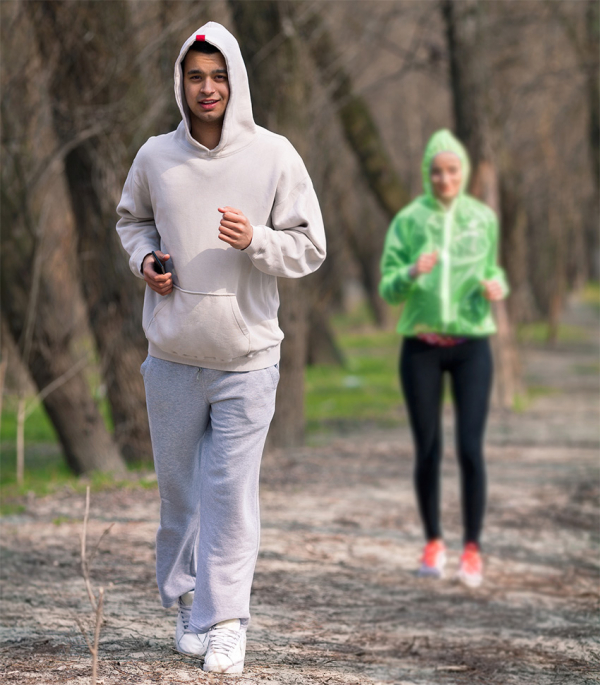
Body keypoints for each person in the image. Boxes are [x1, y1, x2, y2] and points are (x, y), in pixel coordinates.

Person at [116, 22, 325, 674]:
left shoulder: (275, 155)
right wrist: (146, 259)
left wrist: (257, 239)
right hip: (174, 358)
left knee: (231, 497)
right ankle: (186, 602)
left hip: (247, 359)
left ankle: (227, 621)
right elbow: (132, 219)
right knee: (180, 495)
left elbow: (310, 246)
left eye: (218, 75)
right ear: (180, 83)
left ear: (236, 79)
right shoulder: (155, 156)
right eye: (195, 76)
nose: (207, 88)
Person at [379, 129, 508, 588]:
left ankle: (472, 549)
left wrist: (498, 287)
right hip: (421, 348)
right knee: (428, 449)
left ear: (464, 172)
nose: (445, 178)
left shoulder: (483, 219)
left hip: (473, 346)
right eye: (437, 171)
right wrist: (412, 271)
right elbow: (388, 285)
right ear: (426, 174)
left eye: (452, 170)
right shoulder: (409, 221)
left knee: (470, 448)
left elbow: (493, 271)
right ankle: (434, 541)